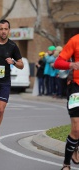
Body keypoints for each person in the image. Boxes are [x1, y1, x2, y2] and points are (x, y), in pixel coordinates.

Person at [54, 34, 79, 170]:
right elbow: (57, 63)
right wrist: (72, 64)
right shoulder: (75, 40)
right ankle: (66, 164)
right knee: (76, 129)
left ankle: (75, 145)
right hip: (76, 87)